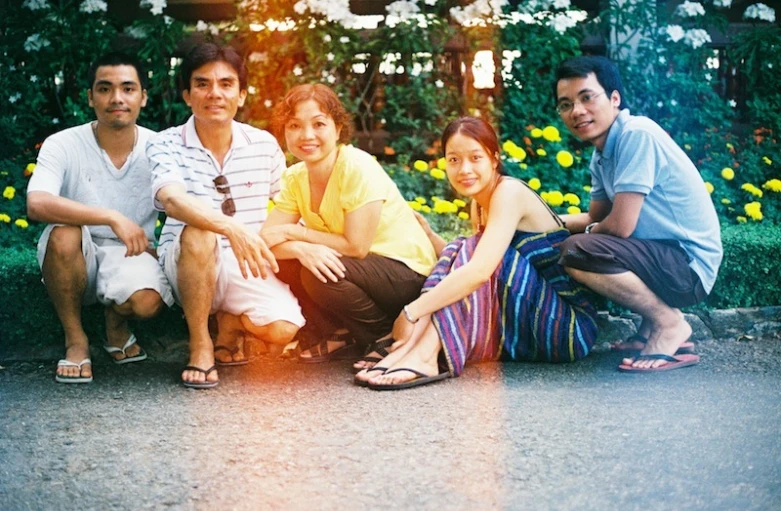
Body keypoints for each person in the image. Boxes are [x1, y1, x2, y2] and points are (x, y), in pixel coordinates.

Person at [357, 116, 599, 390]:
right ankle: (412, 349)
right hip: (524, 325)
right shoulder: (480, 204)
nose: (464, 169)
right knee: (465, 246)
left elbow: (480, 270)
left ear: (494, 159)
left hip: (567, 329)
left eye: (475, 157)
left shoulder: (508, 192)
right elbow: (464, 267)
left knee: (473, 249)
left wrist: (412, 312)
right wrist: (430, 235)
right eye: (454, 160)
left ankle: (423, 353)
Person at [147, 43, 304, 389]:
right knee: (200, 232)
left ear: (242, 94)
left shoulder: (262, 144)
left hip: (244, 262)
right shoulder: (165, 143)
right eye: (202, 84)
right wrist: (230, 227)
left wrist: (308, 244)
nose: (214, 93)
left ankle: (231, 322)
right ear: (187, 95)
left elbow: (290, 206)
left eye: (226, 84)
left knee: (284, 329)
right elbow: (171, 199)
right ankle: (201, 343)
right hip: (187, 259)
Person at [553, 56, 723, 373]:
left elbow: (618, 228)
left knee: (576, 250)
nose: (576, 111)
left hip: (688, 267)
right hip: (666, 258)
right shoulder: (602, 154)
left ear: (614, 98)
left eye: (587, 97)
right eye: (566, 104)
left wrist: (580, 237)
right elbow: (595, 217)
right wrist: (546, 221)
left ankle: (669, 324)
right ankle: (651, 328)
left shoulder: (636, 134)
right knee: (575, 241)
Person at [261, 84, 438, 368]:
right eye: (294, 125)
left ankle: (387, 336)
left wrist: (296, 233)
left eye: (318, 124)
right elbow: (266, 240)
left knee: (316, 273)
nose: (306, 135)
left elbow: (356, 246)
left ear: (338, 127)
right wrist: (301, 249)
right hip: (362, 273)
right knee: (284, 262)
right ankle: (340, 334)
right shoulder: (295, 177)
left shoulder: (355, 166)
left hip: (406, 274)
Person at [26, 51, 174, 384]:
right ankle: (76, 340)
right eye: (105, 88)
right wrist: (109, 217)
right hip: (79, 252)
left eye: (128, 88)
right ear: (90, 97)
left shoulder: (160, 146)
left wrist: (163, 249)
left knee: (148, 303)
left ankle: (115, 323)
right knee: (65, 233)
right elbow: (36, 203)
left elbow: (181, 204)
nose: (117, 98)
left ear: (143, 97)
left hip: (131, 252)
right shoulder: (63, 143)